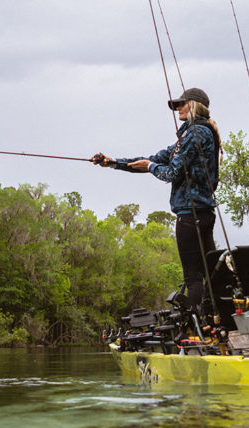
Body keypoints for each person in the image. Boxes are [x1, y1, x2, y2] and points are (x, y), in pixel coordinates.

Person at [92, 87, 222, 311]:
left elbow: (170, 172)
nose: (178, 108)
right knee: (208, 275)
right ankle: (213, 324)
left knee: (193, 277)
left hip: (190, 216)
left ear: (194, 105)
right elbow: (155, 159)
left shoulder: (196, 133)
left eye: (181, 104)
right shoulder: (192, 134)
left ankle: (198, 331)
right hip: (203, 214)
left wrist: (151, 167)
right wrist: (112, 162)